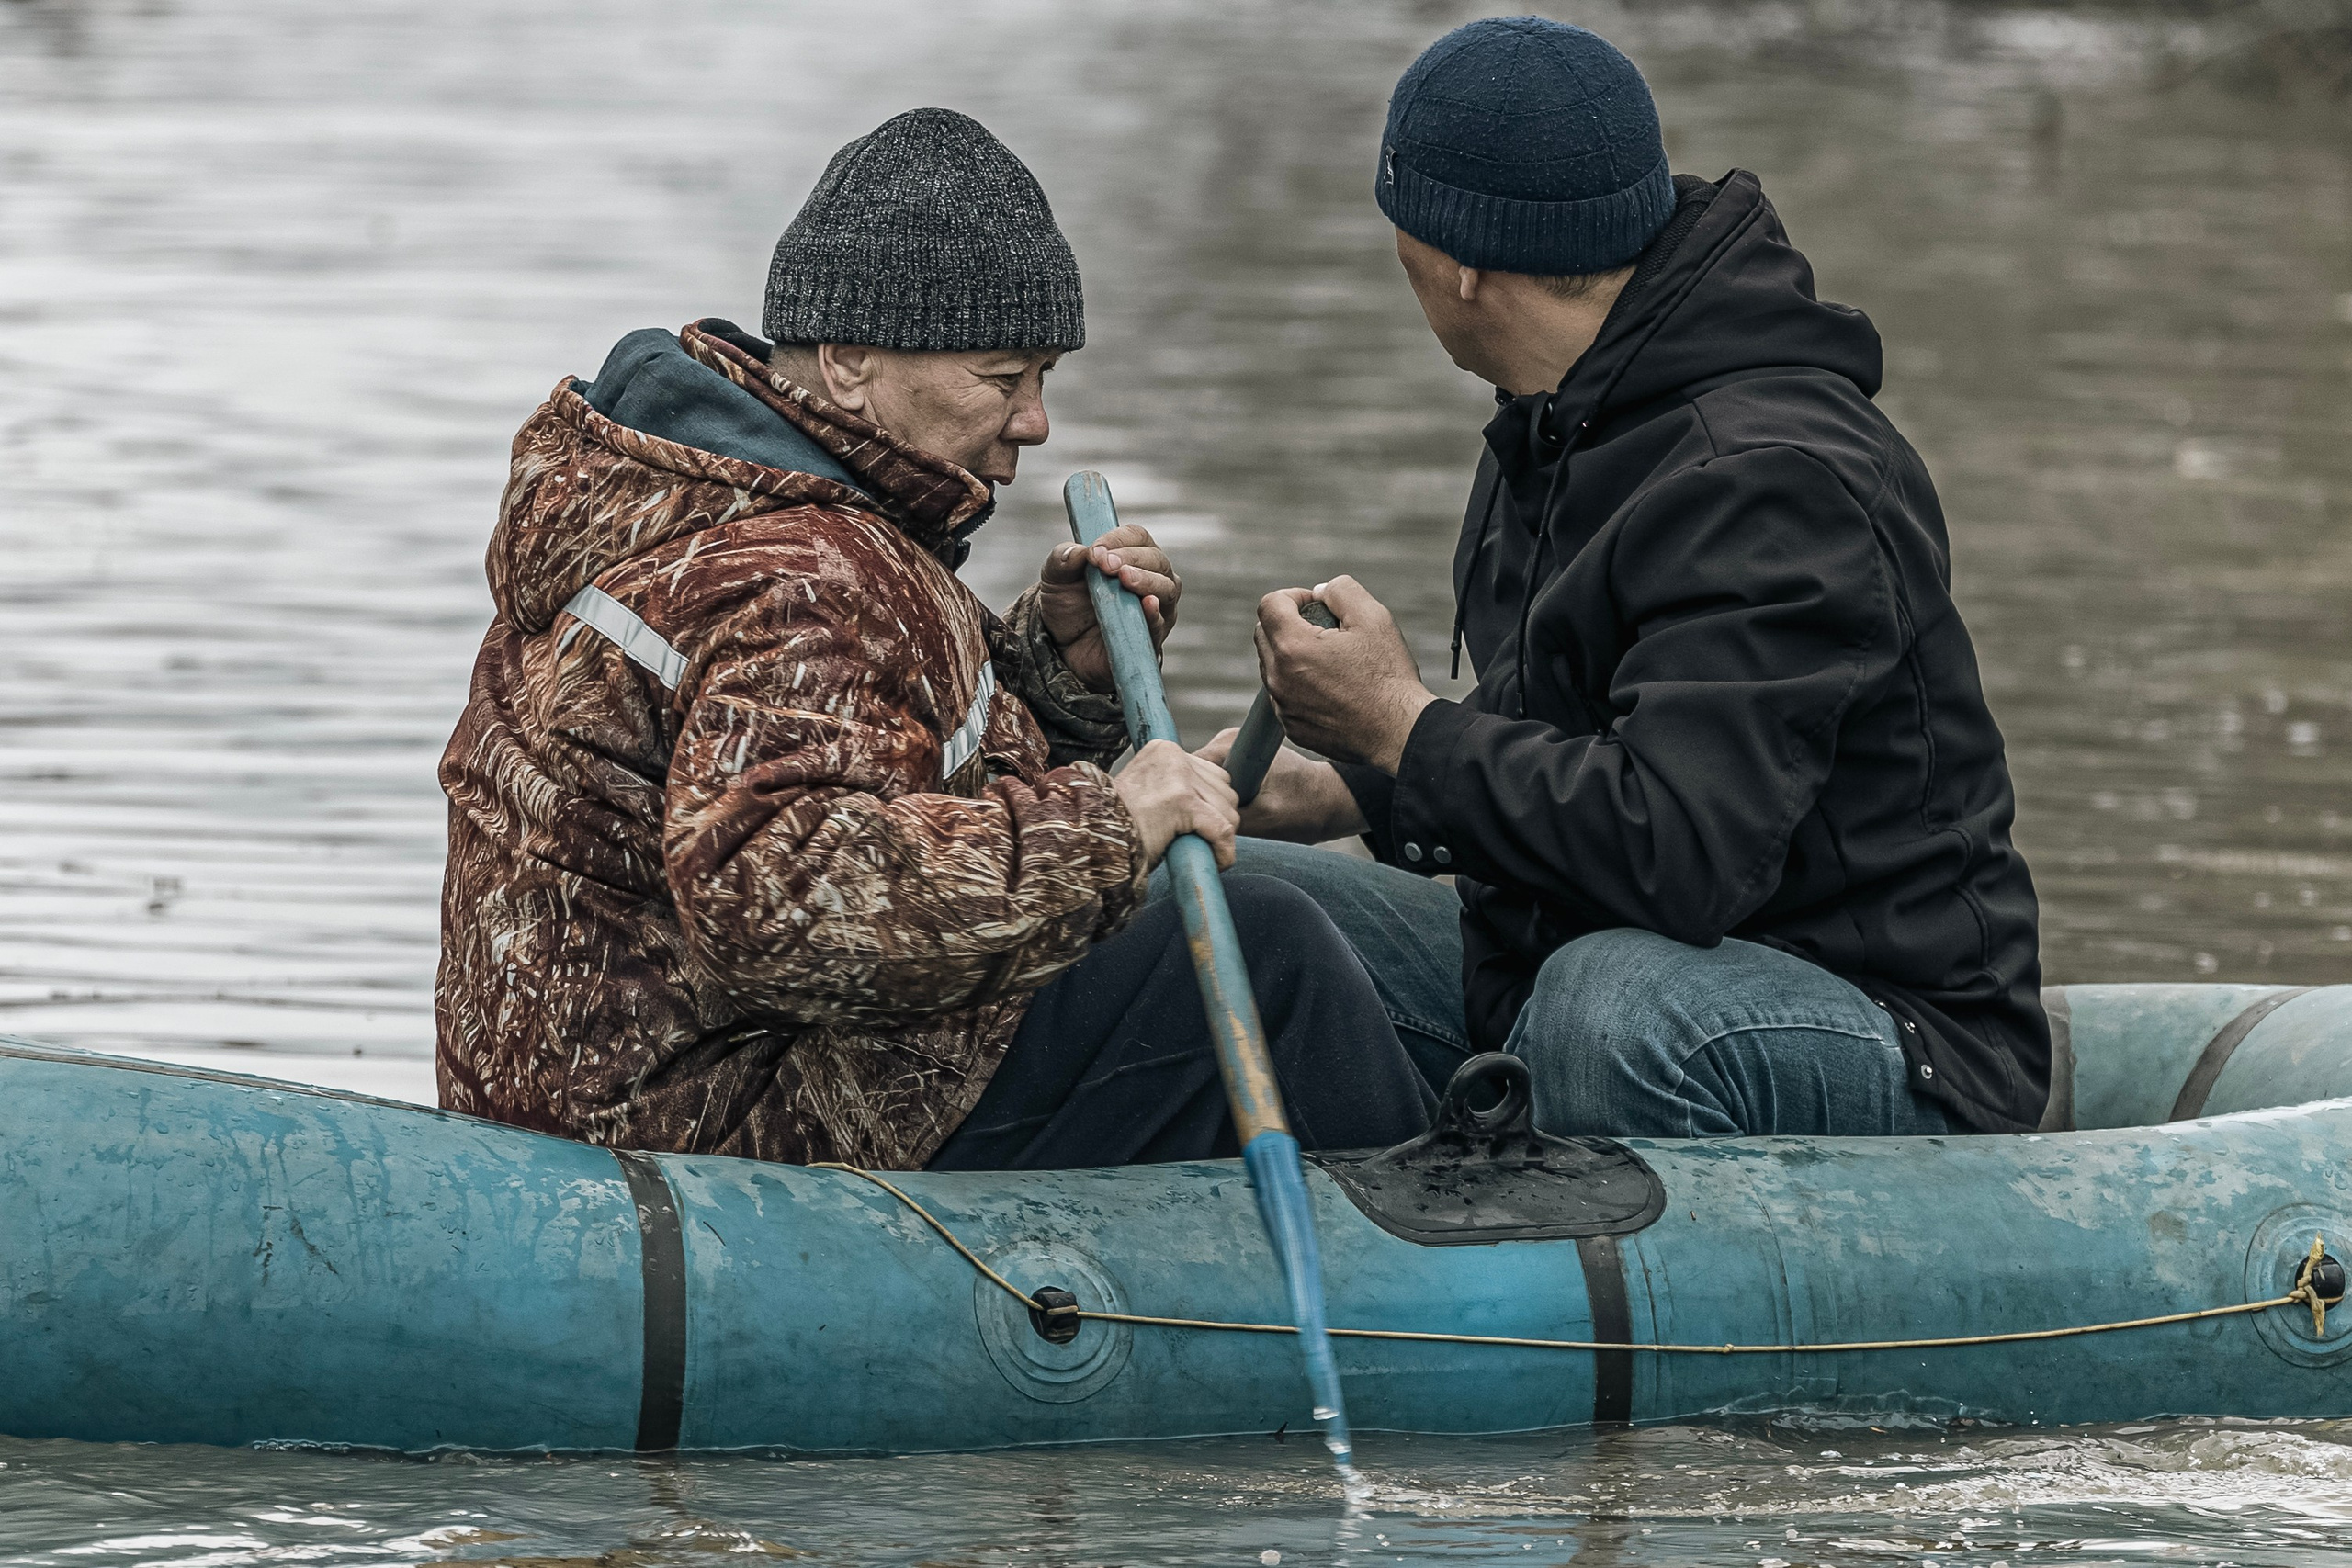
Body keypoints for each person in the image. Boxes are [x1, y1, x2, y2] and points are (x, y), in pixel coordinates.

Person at [435, 108, 1430, 1170]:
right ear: (850, 362)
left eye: (1044, 377)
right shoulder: (798, 571)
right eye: (1002, 379)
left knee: (1220, 923)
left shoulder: (697, 495)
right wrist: (1109, 822)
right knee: (1271, 951)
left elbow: (866, 778)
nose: (1036, 420)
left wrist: (1049, 680)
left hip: (602, 1084)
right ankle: (1445, 1239)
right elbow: (784, 907)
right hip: (711, 1125)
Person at [1208, 17, 2050, 1140]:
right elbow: (1577, 725)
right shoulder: (1565, 414)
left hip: (1878, 1026)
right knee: (1237, 897)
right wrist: (1357, 789)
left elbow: (1682, 849)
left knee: (1611, 1008)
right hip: (1579, 953)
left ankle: (1590, 1244)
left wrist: (1403, 728)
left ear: (1460, 267)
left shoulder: (1770, 480)